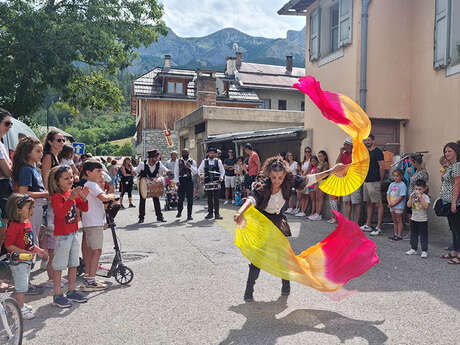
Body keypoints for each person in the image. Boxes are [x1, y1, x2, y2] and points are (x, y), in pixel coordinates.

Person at [233, 156, 347, 301]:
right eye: (273, 177)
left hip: (278, 221)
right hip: (262, 223)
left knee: (283, 256)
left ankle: (286, 286)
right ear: (269, 174)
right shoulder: (263, 187)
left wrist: (332, 170)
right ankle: (249, 291)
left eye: (280, 177)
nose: (277, 181)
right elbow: (251, 199)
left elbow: (309, 179)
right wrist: (240, 212)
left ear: (284, 175)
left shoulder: (289, 180)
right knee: (257, 258)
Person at [48, 165, 89, 307]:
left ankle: (71, 291)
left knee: (73, 264)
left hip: (73, 233)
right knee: (59, 266)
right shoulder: (57, 197)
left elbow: (84, 209)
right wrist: (71, 198)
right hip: (62, 236)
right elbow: (60, 215)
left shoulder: (70, 193)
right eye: (66, 178)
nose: (70, 180)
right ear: (57, 181)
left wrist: (83, 198)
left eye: (71, 177)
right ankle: (57, 294)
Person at [5, 194, 48, 319]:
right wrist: (23, 253)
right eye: (29, 208)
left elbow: (28, 242)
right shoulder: (14, 226)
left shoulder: (27, 223)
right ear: (18, 210)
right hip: (18, 261)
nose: (32, 211)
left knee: (22, 284)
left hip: (26, 260)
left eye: (33, 207)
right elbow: (8, 245)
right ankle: (20, 308)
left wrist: (38, 250)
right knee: (21, 286)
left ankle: (16, 303)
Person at [81, 160, 116, 290]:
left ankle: (89, 276)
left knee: (92, 251)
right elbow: (103, 198)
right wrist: (112, 195)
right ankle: (91, 280)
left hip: (90, 222)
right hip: (94, 222)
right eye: (98, 171)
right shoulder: (92, 184)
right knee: (97, 251)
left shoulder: (88, 184)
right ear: (88, 172)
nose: (100, 174)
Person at [41, 130, 65, 287]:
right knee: (52, 237)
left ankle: (53, 274)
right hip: (51, 199)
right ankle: (51, 277)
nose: (61, 143)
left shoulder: (56, 156)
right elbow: (46, 176)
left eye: (63, 140)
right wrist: (51, 196)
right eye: (58, 140)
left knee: (55, 238)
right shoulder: (48, 156)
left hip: (57, 198)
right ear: (50, 142)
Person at [439, 142, 460, 264]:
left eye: (449, 151)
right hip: (447, 201)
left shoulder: (457, 166)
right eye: (445, 151)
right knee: (453, 228)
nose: (447, 153)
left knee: (457, 229)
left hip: (455, 202)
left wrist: (453, 202)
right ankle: (453, 251)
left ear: (456, 152)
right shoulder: (451, 166)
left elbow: (457, 184)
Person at [361, 134, 385, 235]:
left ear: (373, 141)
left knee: (378, 203)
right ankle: (368, 224)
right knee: (369, 203)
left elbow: (382, 167)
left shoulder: (378, 152)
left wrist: (380, 180)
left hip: (374, 181)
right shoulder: (366, 152)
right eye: (366, 140)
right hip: (366, 181)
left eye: (369, 140)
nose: (367, 142)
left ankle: (378, 227)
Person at [135, 149, 167, 223]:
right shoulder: (142, 164)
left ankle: (159, 217)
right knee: (142, 200)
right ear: (151, 158)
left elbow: (165, 169)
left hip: (154, 184)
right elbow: (136, 172)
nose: (157, 159)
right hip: (143, 184)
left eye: (157, 157)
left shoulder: (158, 163)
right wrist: (135, 174)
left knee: (156, 199)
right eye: (155, 157)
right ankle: (141, 217)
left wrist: (167, 172)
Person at [337, 137, 362, 222]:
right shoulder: (344, 154)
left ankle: (356, 222)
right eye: (344, 144)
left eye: (345, 144)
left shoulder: (355, 154)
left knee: (356, 202)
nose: (344, 146)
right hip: (346, 180)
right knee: (347, 201)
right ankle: (348, 221)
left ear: (350, 145)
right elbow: (337, 164)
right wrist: (340, 153)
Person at [198, 147, 225, 220]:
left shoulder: (218, 161)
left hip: (216, 181)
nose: (212, 154)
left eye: (213, 153)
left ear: (215, 154)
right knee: (209, 198)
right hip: (208, 182)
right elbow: (199, 170)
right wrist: (202, 175)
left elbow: (222, 171)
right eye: (210, 153)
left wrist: (221, 177)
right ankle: (210, 213)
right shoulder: (204, 161)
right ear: (208, 153)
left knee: (216, 199)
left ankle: (217, 214)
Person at [406, 179, 430, 258]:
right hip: (414, 218)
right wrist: (410, 198)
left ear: (424, 189)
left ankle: (424, 250)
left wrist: (421, 198)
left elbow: (426, 206)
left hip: (422, 220)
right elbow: (408, 205)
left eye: (420, 189)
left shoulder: (425, 197)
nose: (417, 191)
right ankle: (413, 248)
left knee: (423, 235)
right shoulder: (413, 196)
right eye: (416, 189)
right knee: (413, 234)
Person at [0, 108, 13, 237]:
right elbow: (7, 171)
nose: (9, 127)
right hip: (2, 187)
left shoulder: (2, 143)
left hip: (4, 187)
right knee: (2, 227)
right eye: (7, 123)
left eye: (11, 124)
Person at [174, 148, 197, 221]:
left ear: (188, 153)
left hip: (189, 180)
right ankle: (179, 211)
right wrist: (177, 181)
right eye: (183, 153)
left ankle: (189, 215)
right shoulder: (178, 161)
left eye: (186, 153)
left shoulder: (192, 161)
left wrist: (190, 167)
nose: (184, 154)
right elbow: (176, 171)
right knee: (180, 198)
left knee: (190, 199)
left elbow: (195, 172)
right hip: (181, 180)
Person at [385, 169, 407, 240]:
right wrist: (389, 202)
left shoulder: (402, 185)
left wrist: (394, 203)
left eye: (397, 176)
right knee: (394, 220)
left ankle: (399, 235)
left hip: (398, 206)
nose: (395, 178)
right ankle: (395, 234)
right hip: (392, 205)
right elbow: (388, 194)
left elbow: (401, 196)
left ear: (401, 176)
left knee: (399, 220)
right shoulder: (392, 184)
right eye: (394, 176)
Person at [290, 147, 312, 215]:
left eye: (308, 151)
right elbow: (301, 170)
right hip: (302, 179)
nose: (307, 153)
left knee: (306, 196)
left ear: (310, 152)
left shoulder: (310, 161)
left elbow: (308, 170)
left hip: (307, 179)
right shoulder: (304, 161)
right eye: (306, 151)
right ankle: (300, 210)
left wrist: (302, 177)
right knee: (301, 196)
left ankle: (303, 211)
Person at [308, 150, 329, 221]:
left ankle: (318, 214)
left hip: (322, 182)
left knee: (320, 198)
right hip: (317, 181)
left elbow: (324, 173)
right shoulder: (319, 163)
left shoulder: (325, 163)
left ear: (324, 156)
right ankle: (316, 213)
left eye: (321, 156)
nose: (320, 158)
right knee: (317, 198)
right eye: (319, 156)